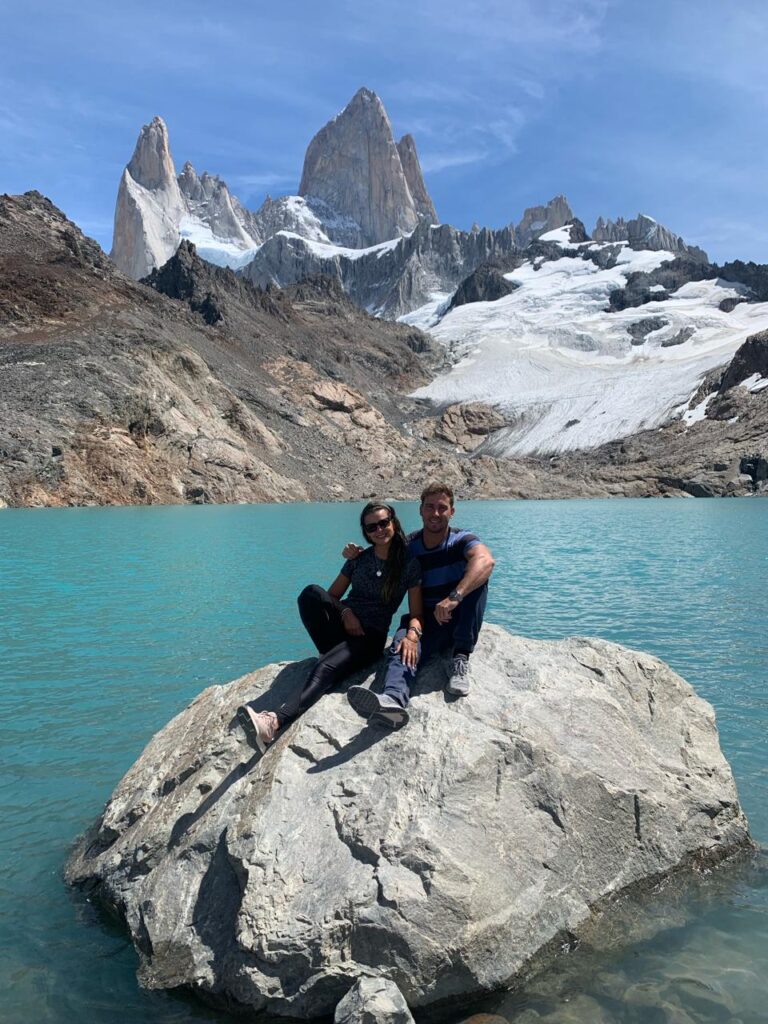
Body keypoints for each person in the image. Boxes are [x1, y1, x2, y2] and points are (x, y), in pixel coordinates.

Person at [237, 501, 423, 752]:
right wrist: (346, 612)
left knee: (323, 667)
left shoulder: (408, 564)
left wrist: (412, 635)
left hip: (370, 636)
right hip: (344, 626)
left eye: (384, 522)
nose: (379, 530)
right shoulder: (358, 559)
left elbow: (417, 611)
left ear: (394, 522)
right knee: (310, 593)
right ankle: (335, 654)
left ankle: (272, 723)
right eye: (371, 527)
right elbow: (331, 595)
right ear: (365, 532)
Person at [344, 482, 494, 725]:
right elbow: (380, 551)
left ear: (452, 512)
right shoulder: (409, 546)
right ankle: (392, 702)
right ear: (420, 510)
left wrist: (454, 597)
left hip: (459, 616)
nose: (435, 513)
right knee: (403, 645)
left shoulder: (462, 539)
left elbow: (486, 561)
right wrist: (355, 555)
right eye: (429, 507)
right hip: (425, 620)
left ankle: (461, 656)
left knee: (477, 580)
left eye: (442, 508)